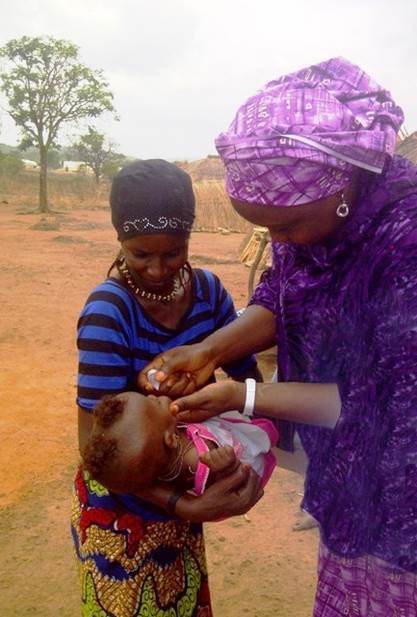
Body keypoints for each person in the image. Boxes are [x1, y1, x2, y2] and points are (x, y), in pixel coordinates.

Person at [139, 58, 417, 616]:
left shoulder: (404, 245)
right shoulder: (315, 227)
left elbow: (376, 402)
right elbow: (279, 294)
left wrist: (242, 396)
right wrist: (210, 349)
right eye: (266, 228)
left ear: (342, 185)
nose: (276, 241)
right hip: (353, 490)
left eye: (285, 228)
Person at [71, 159, 263, 617]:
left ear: (188, 240)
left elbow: (246, 375)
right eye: (140, 254)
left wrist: (247, 448)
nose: (157, 269)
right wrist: (182, 505)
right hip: (122, 511)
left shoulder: (210, 294)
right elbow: (92, 448)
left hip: (186, 489)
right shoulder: (108, 312)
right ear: (120, 239)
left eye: (173, 252)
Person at [81, 391, 278, 497]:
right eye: (156, 404)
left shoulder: (158, 455)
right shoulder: (197, 460)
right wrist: (226, 467)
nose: (153, 396)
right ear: (171, 439)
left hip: (210, 435)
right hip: (241, 454)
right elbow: (231, 485)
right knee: (263, 436)